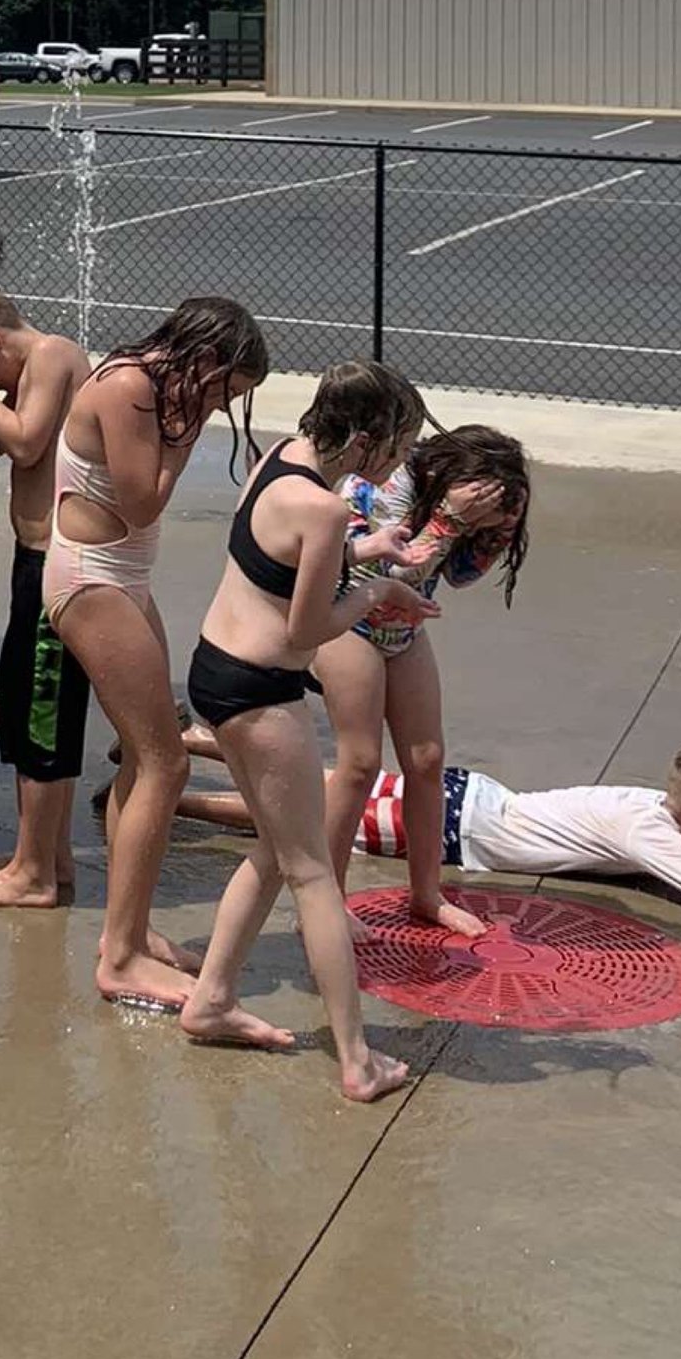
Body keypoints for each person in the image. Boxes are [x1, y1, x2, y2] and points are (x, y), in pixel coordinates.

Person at [176, 361, 435, 1103]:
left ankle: (212, 997)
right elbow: (310, 623)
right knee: (314, 870)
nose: (392, 466)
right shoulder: (322, 508)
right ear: (361, 439)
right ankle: (356, 1059)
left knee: (274, 848)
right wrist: (379, 591)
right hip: (259, 691)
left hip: (216, 669)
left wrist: (367, 550)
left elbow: (281, 558)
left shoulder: (281, 459)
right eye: (393, 448)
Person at [38, 297, 269, 1008]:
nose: (224, 404)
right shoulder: (131, 387)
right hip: (90, 575)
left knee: (147, 757)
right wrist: (190, 428)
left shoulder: (161, 391)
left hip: (125, 576)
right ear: (203, 358)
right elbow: (143, 502)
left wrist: (190, 419)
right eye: (226, 388)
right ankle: (124, 956)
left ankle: (125, 933)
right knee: (166, 760)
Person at [319, 422, 531, 945]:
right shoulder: (390, 486)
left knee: (427, 758)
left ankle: (426, 893)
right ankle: (324, 903)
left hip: (404, 631)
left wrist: (497, 530)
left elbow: (456, 576)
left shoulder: (452, 500)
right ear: (444, 473)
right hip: (349, 621)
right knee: (359, 763)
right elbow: (390, 575)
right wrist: (447, 520)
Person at [0, 290, 92, 912]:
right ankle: (44, 857)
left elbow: (25, 444)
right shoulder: (22, 373)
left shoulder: (54, 355)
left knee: (43, 721)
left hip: (58, 565)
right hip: (37, 563)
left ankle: (35, 874)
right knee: (30, 716)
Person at [351, 738, 681, 920]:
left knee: (336, 787)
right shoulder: (649, 834)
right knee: (320, 821)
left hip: (471, 795)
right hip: (457, 828)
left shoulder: (649, 803)